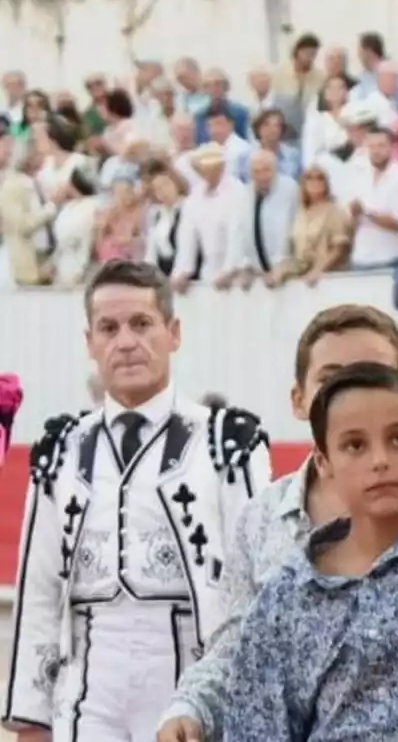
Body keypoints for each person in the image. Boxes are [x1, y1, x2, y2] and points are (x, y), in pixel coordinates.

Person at [157, 304, 398, 742]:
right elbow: (237, 647)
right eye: (331, 378)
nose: (352, 392)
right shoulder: (263, 520)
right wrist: (191, 707)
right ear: (298, 399)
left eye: (370, 373)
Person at [3, 260, 270, 742]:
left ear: (173, 333)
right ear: (90, 342)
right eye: (108, 328)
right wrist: (30, 719)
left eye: (141, 324)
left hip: (191, 669)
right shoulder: (61, 447)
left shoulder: (226, 442)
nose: (125, 342)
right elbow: (39, 588)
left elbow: (257, 585)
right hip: (86, 677)